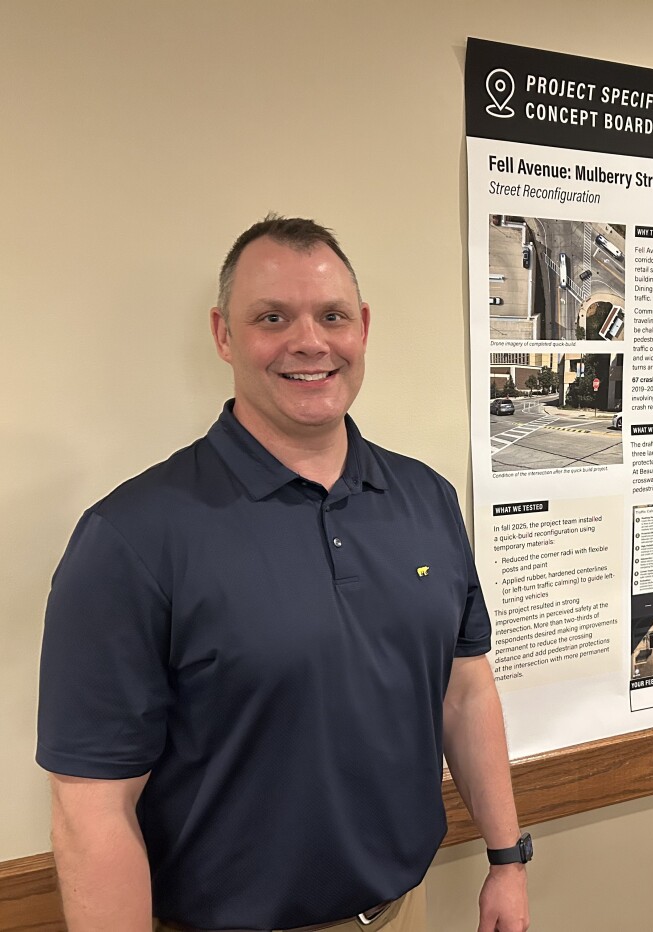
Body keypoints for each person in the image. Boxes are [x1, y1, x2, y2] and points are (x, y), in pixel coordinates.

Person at [37, 215, 531, 932]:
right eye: (272, 317)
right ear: (224, 335)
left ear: (363, 328)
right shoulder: (132, 538)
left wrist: (507, 858)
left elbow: (465, 688)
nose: (310, 342)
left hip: (401, 911)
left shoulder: (426, 498)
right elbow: (91, 806)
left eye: (332, 316)